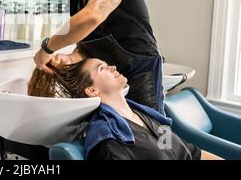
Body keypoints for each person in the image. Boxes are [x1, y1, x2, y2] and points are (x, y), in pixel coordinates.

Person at [34, 0, 165, 114]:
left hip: (141, 72)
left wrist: (47, 48)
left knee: (150, 129)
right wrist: (71, 58)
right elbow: (88, 46)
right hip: (110, 77)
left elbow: (93, 15)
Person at [28, 58, 222, 160]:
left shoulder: (148, 118)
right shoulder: (109, 141)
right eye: (101, 68)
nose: (112, 67)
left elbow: (188, 153)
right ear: (92, 90)